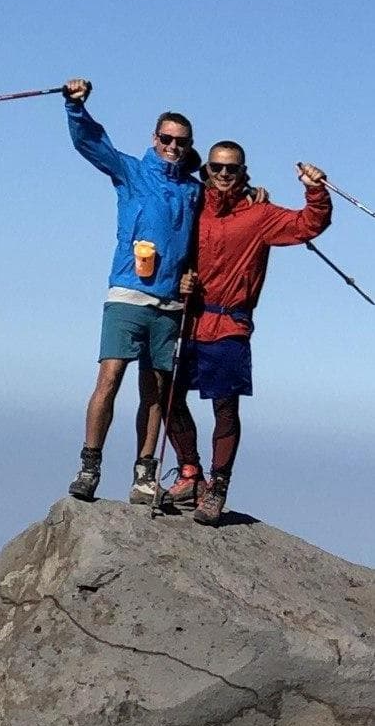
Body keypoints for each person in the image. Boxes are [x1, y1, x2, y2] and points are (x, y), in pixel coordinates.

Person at [165, 144, 332, 525]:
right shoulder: (192, 205)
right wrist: (179, 281)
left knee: (225, 407)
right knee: (167, 396)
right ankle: (191, 474)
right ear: (206, 170)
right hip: (188, 319)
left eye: (232, 168)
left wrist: (315, 189)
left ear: (243, 172)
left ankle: (217, 488)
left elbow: (308, 224)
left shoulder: (260, 214)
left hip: (230, 324)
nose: (224, 174)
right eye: (217, 167)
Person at [63, 78, 202, 503]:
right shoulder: (132, 172)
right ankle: (89, 467)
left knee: (155, 390)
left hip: (170, 303)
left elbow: (213, 229)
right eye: (166, 139)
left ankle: (144, 475)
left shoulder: (194, 190)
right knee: (109, 378)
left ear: (188, 145)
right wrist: (75, 107)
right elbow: (91, 144)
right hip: (127, 293)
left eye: (180, 141)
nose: (173, 147)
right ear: (154, 138)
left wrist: (252, 193)